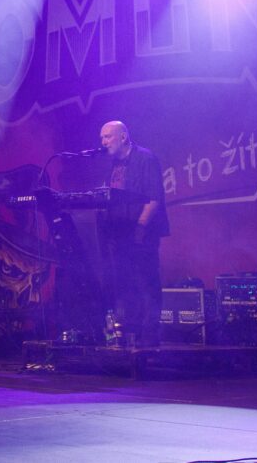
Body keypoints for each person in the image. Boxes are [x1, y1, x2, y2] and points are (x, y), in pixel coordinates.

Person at [98, 120, 169, 347]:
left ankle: (150, 335)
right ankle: (131, 332)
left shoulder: (145, 159)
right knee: (125, 283)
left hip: (142, 233)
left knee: (146, 281)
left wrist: (140, 228)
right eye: (102, 138)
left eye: (108, 136)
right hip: (119, 234)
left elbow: (154, 198)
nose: (103, 142)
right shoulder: (113, 165)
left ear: (123, 137)